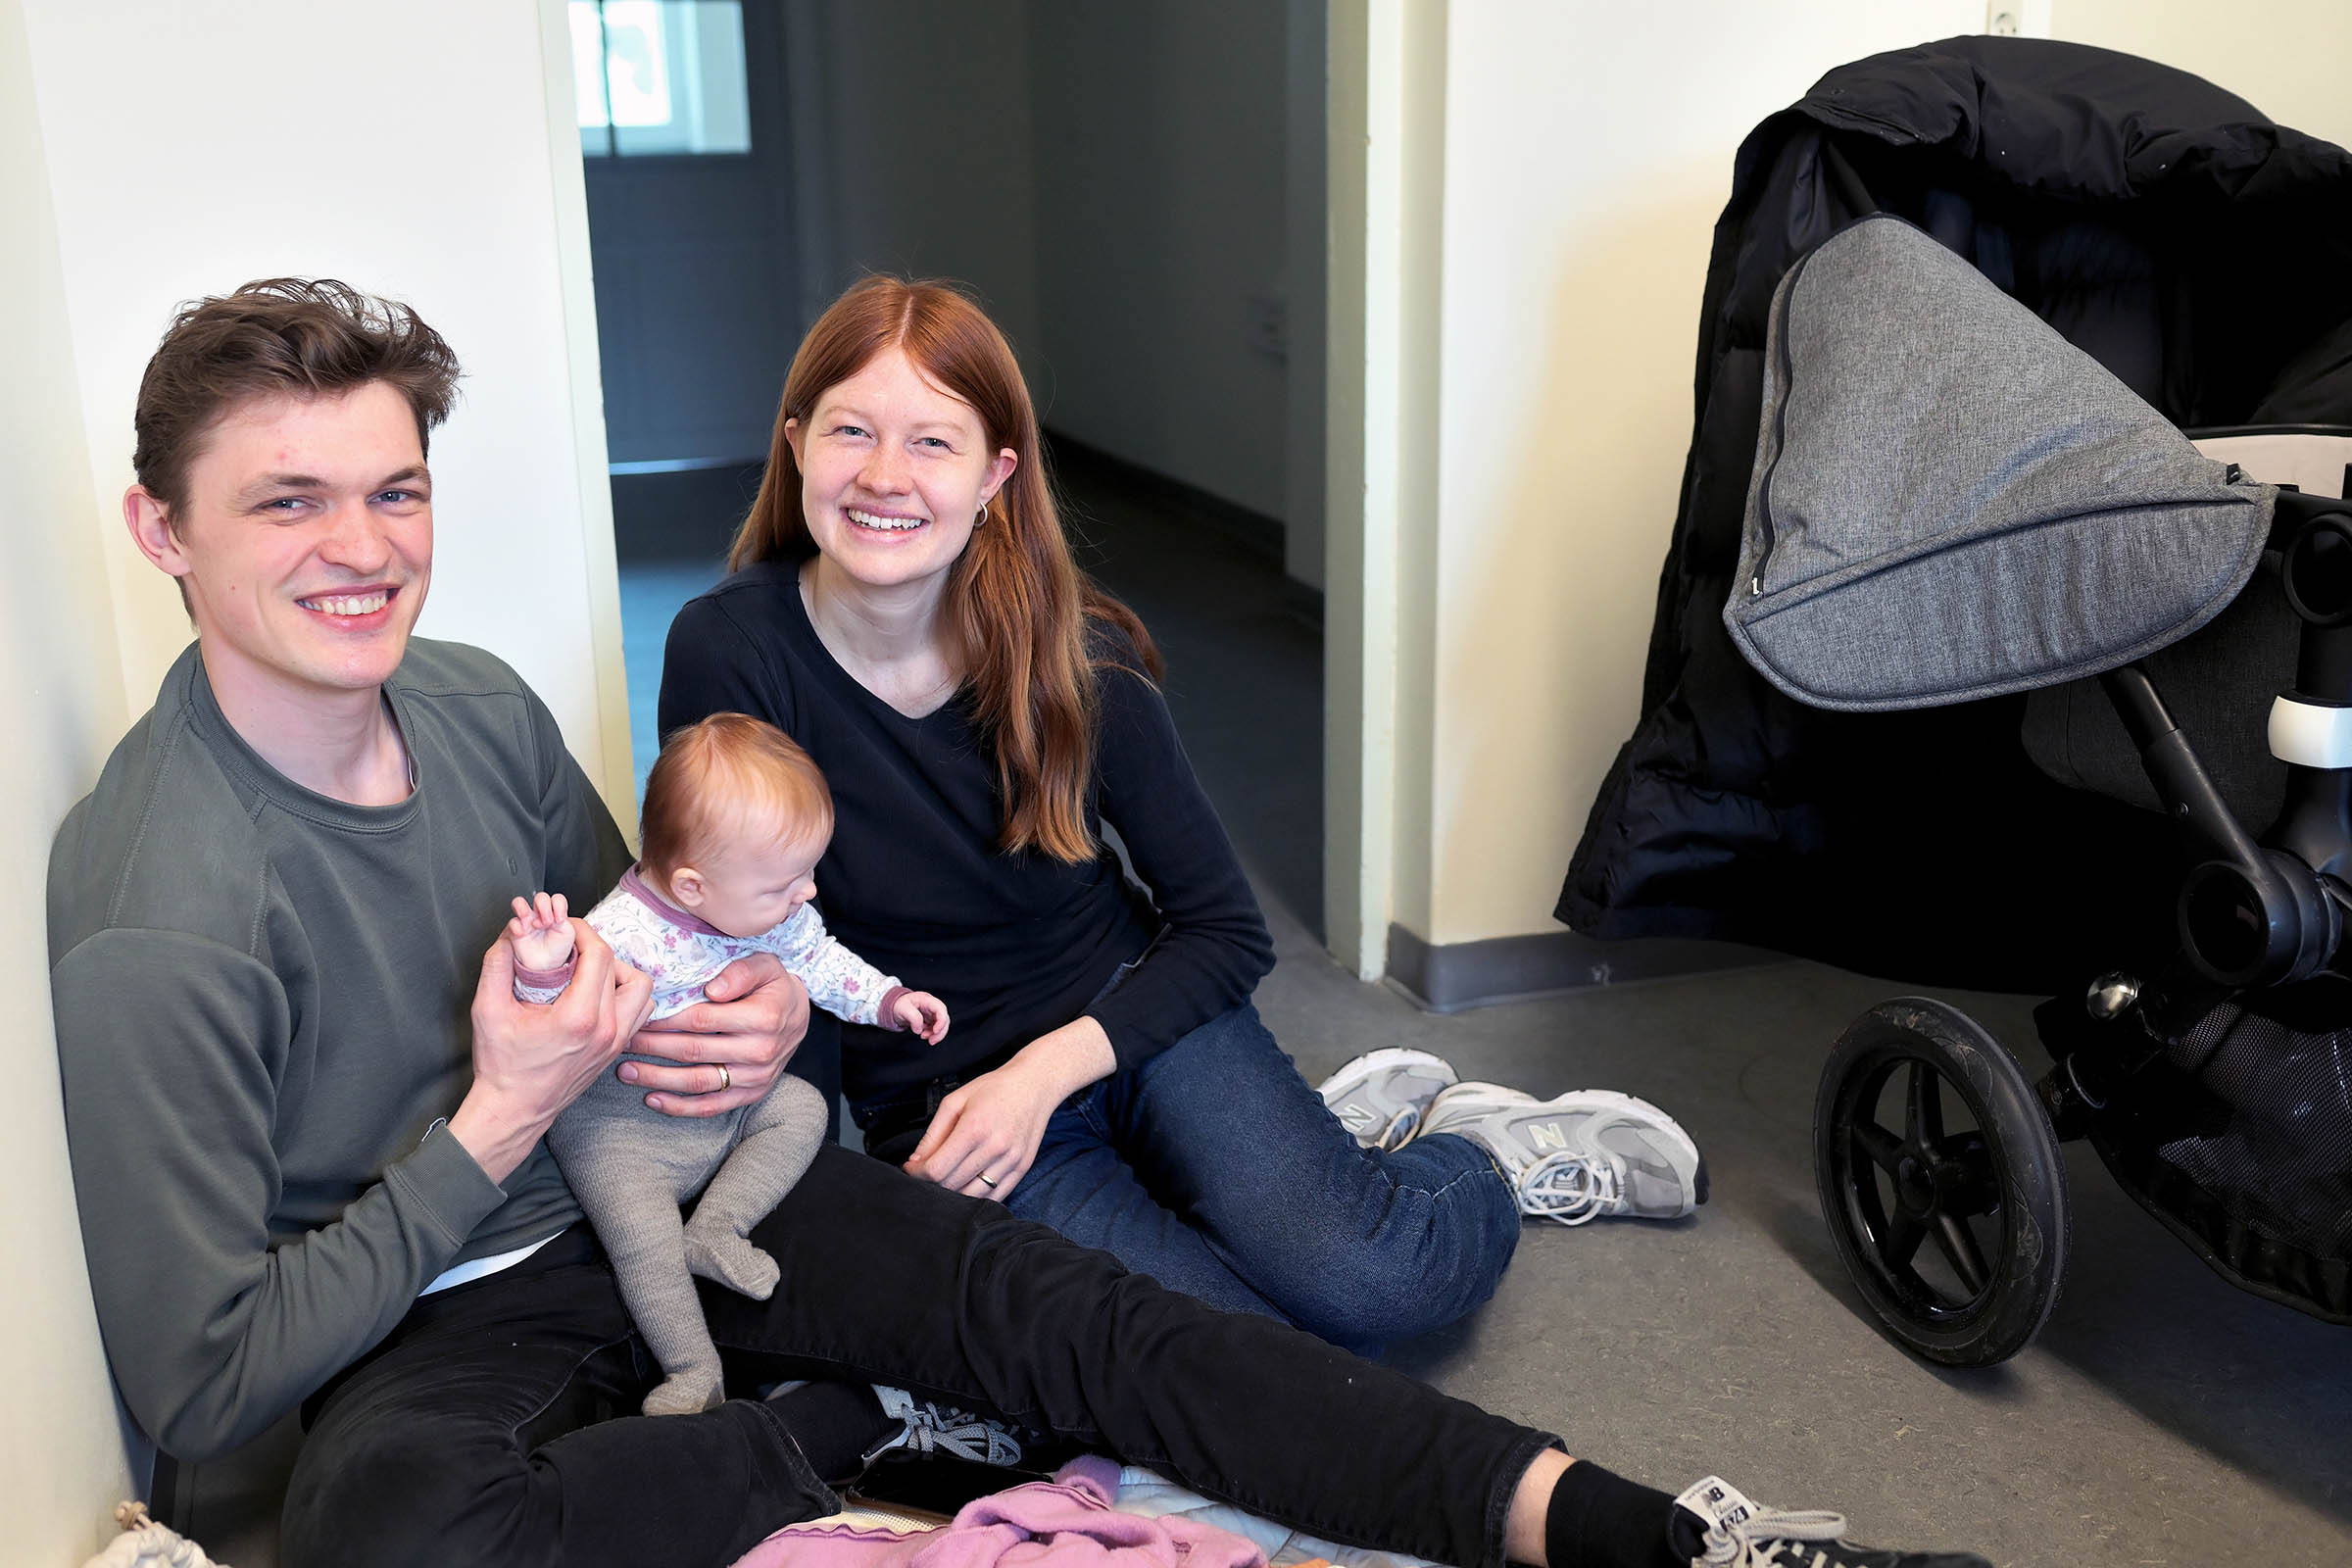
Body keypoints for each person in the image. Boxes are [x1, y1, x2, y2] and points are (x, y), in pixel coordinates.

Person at [48, 276, 1988, 1568]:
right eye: (287, 503)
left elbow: (672, 922)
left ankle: (1670, 1533)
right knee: (394, 1530)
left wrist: (711, 1031)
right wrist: (501, 1109)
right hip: (441, 1303)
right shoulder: (164, 902)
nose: (363, 548)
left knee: (1129, 1328)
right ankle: (847, 1419)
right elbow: (210, 1384)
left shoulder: (470, 695)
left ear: (995, 482)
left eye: (392, 490)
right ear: (164, 531)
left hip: (824, 1123)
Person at [657, 276, 1707, 1353]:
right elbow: (750, 935)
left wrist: (1044, 1070)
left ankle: (1468, 1150)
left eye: (933, 441)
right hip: (943, 1097)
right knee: (1235, 1363)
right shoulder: (729, 652)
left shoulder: (1076, 661)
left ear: (994, 477)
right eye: (851, 431)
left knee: (1374, 1287)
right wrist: (833, 1202)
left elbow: (1223, 929)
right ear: (795, 444)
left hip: (1133, 1018)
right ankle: (1327, 1154)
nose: (884, 475)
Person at [506, 712, 952, 1416]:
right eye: (783, 884)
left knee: (802, 1106)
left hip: (726, 1103)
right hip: (623, 1125)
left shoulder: (770, 909)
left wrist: (889, 1000)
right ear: (692, 887)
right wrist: (540, 969)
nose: (804, 894)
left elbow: (821, 961)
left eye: (808, 872)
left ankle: (718, 1226)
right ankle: (693, 1370)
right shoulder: (621, 934)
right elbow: (552, 1014)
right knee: (640, 1240)